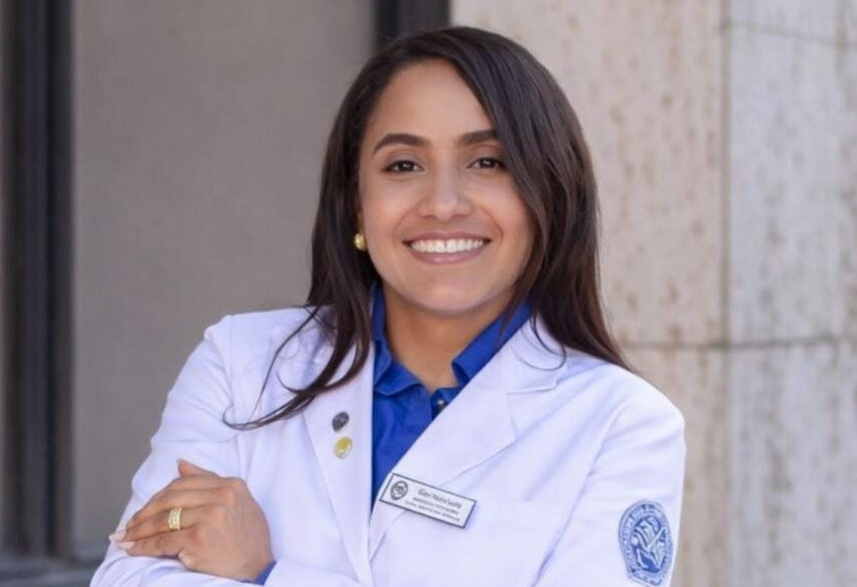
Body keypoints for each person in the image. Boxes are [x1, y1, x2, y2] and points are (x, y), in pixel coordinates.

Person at [91, 26, 685, 587]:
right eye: (404, 165)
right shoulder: (241, 364)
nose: (444, 204)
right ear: (356, 203)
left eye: (488, 162)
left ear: (548, 196)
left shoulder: (622, 425)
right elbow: (130, 577)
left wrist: (269, 574)